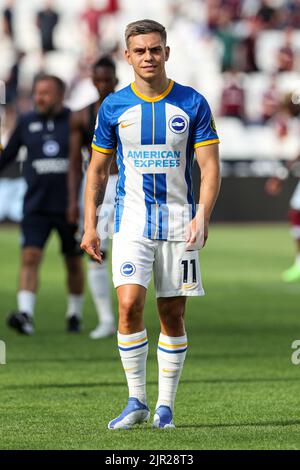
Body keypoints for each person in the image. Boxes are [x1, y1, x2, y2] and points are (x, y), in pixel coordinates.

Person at [81, 19, 220, 429]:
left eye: (154, 49)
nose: (148, 57)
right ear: (128, 56)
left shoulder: (193, 102)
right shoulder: (114, 106)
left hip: (180, 223)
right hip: (131, 221)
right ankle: (135, 400)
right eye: (139, 51)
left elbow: (209, 169)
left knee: (172, 313)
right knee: (128, 306)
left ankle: (165, 407)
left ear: (166, 53)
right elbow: (98, 170)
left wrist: (203, 216)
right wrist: (91, 225)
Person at [0, 75, 84, 335]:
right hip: (35, 204)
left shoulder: (74, 120)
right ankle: (25, 315)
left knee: (72, 261)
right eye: (37, 93)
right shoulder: (26, 122)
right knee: (30, 256)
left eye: (45, 93)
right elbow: (8, 155)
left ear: (60, 95)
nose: (39, 98)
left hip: (69, 205)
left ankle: (74, 314)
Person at [68, 56, 118, 339]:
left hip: (126, 184)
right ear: (92, 81)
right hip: (96, 186)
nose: (102, 85)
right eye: (97, 80)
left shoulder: (129, 109)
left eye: (106, 80)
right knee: (96, 252)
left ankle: (128, 314)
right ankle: (106, 318)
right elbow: (76, 163)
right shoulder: (82, 115)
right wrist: (72, 200)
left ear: (115, 81)